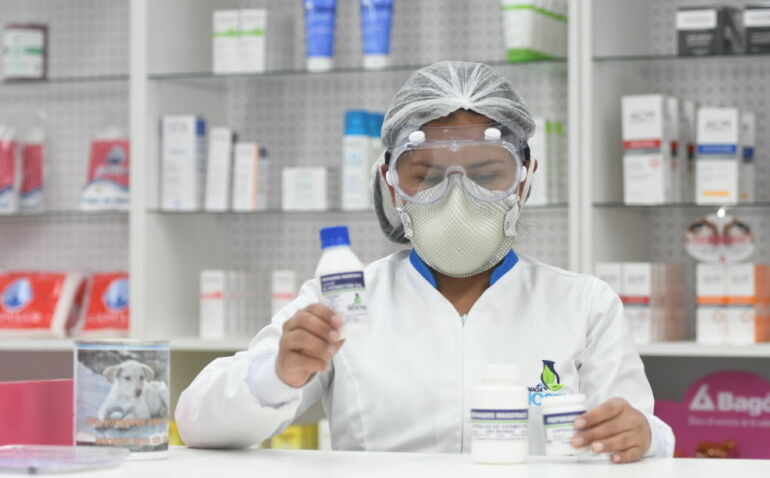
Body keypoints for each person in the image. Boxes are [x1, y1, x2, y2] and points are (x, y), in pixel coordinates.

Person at [175, 61, 675, 463]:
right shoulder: (345, 300)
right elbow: (198, 422)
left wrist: (641, 436)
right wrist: (278, 373)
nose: (458, 195)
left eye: (486, 172)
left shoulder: (583, 304)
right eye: (427, 176)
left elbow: (643, 435)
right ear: (390, 183)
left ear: (525, 179)